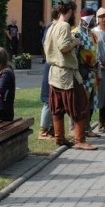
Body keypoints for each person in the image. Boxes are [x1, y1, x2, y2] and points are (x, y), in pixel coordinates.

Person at [43, 0, 98, 150]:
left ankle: (60, 138)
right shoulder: (64, 25)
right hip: (66, 74)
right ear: (69, 11)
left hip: (54, 73)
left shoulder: (51, 26)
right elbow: (64, 47)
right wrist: (76, 42)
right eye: (74, 11)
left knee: (58, 107)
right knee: (80, 106)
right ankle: (79, 140)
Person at [72, 7, 100, 137]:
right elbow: (74, 55)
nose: (95, 20)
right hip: (82, 73)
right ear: (86, 19)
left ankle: (87, 128)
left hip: (92, 74)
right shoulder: (76, 33)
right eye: (93, 17)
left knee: (90, 102)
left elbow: (96, 52)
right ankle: (76, 129)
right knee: (79, 102)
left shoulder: (93, 34)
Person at [38, 9, 58, 140]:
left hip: (52, 65)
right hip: (50, 66)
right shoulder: (52, 28)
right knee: (48, 101)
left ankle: (51, 129)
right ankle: (43, 131)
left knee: (53, 101)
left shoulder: (52, 27)